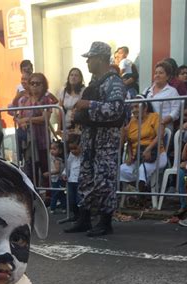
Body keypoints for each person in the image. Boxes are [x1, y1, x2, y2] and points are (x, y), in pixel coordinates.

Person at [65, 41, 126, 237]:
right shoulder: (94, 82)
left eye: (90, 58)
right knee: (86, 179)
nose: (88, 62)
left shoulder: (114, 82)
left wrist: (88, 105)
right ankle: (84, 219)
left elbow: (117, 111)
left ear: (100, 58)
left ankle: (105, 222)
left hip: (106, 141)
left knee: (104, 181)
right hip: (90, 140)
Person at [119, 97, 167, 206]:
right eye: (132, 107)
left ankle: (141, 197)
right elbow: (130, 141)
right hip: (138, 157)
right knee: (121, 169)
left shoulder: (154, 117)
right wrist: (130, 155)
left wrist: (149, 149)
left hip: (156, 154)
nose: (134, 110)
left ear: (145, 108)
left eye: (136, 106)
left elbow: (160, 135)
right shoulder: (132, 122)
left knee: (142, 170)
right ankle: (140, 187)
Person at [17, 73, 56, 186]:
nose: (34, 86)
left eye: (38, 83)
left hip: (42, 140)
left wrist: (27, 119)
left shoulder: (46, 99)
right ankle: (33, 196)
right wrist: (22, 122)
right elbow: (19, 118)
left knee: (45, 169)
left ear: (43, 85)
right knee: (30, 171)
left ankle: (49, 197)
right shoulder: (23, 100)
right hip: (28, 141)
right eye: (32, 83)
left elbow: (45, 118)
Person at [143, 61, 180, 130]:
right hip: (147, 128)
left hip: (165, 128)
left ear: (168, 76)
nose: (157, 75)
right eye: (156, 73)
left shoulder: (172, 91)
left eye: (161, 73)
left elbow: (176, 111)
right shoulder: (146, 91)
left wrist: (162, 122)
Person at [58, 67, 85, 131]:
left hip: (78, 125)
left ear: (80, 78)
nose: (73, 77)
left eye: (76, 75)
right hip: (65, 125)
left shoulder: (83, 91)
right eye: (71, 75)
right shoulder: (63, 91)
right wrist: (59, 127)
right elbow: (60, 110)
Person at [63, 133, 81, 222]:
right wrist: (65, 173)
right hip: (71, 180)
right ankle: (75, 215)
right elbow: (68, 165)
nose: (73, 151)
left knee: (79, 200)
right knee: (72, 199)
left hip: (80, 181)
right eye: (71, 149)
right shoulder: (71, 155)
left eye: (75, 148)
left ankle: (81, 216)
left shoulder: (83, 156)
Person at [44, 140, 66, 213]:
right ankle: (64, 207)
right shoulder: (55, 159)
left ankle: (53, 208)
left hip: (57, 179)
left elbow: (57, 170)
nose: (52, 151)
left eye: (54, 149)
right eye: (51, 149)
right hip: (57, 179)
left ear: (60, 151)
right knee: (60, 193)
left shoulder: (57, 160)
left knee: (55, 193)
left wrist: (48, 173)